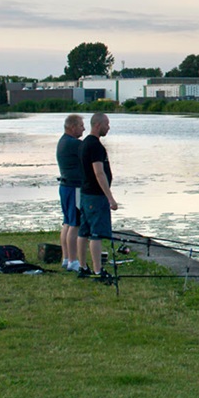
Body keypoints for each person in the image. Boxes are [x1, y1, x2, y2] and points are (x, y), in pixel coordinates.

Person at [78, 112, 117, 279]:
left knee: (83, 232)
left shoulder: (85, 143)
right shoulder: (95, 146)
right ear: (97, 125)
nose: (108, 127)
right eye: (106, 124)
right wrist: (110, 198)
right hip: (95, 195)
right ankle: (97, 270)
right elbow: (99, 173)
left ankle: (82, 267)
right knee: (96, 234)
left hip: (85, 194)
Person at [55, 114, 86, 271]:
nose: (83, 128)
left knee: (67, 222)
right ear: (73, 127)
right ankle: (73, 261)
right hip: (74, 187)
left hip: (65, 186)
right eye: (81, 125)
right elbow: (89, 152)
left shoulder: (62, 141)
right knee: (75, 224)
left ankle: (66, 258)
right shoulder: (74, 144)